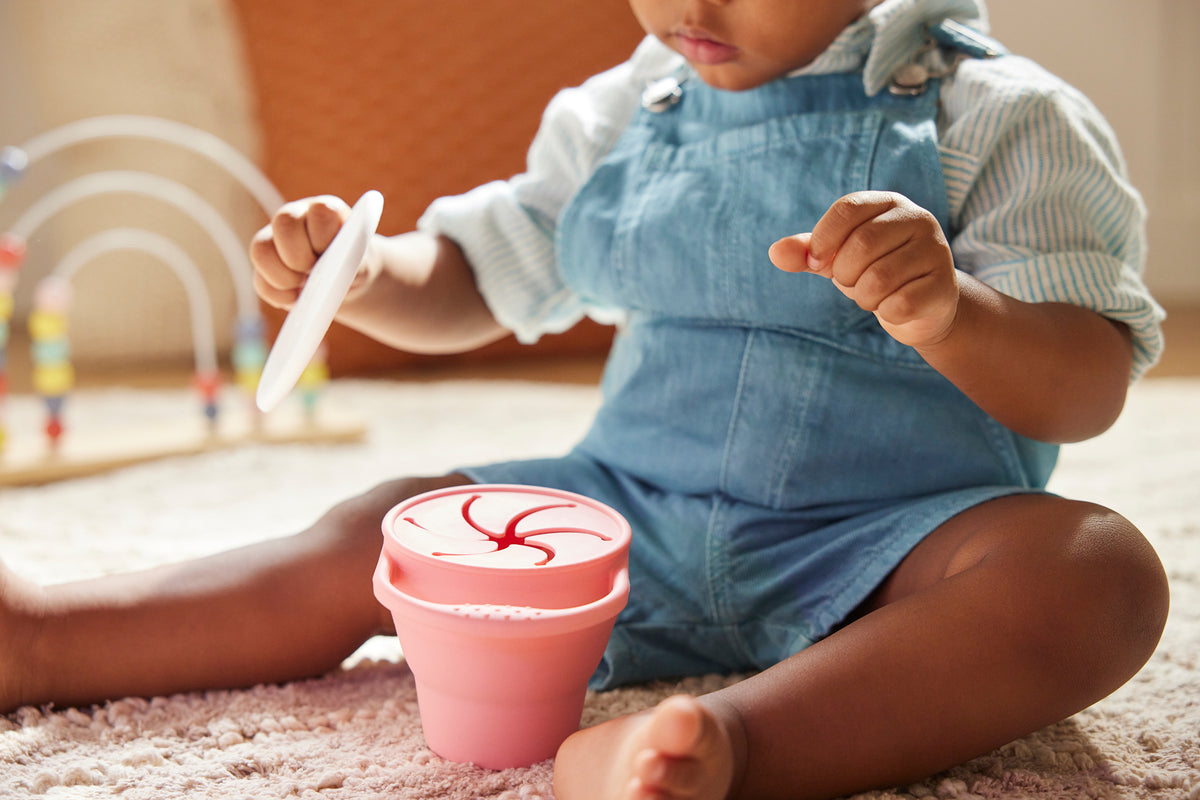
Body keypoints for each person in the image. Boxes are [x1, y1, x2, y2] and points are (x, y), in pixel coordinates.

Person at [0, 1, 1171, 798]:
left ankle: (724, 744)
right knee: (383, 526)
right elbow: (473, 279)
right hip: (625, 517)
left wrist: (953, 314)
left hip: (894, 540)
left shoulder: (1005, 121)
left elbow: (1084, 382)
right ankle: (48, 638)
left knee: (1093, 571)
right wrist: (363, 271)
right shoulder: (631, 108)